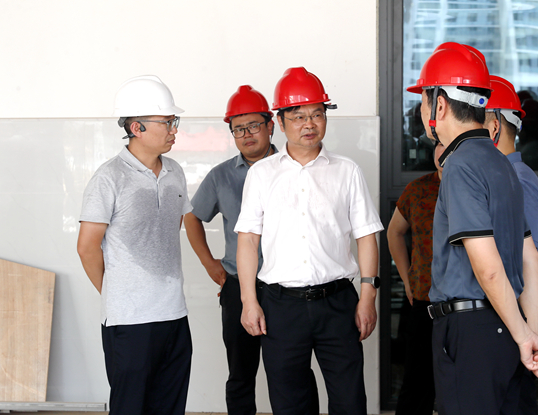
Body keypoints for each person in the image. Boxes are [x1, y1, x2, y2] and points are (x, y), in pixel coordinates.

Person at [407, 42, 538, 415]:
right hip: (507, 325)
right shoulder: (502, 163)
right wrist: (529, 332)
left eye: (424, 100)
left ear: (439, 105)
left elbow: (487, 267)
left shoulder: (460, 166)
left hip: (471, 333)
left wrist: (525, 337)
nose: (422, 110)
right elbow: (530, 256)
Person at [234, 67, 384, 415]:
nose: (309, 124)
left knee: (350, 400)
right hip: (280, 306)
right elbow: (248, 241)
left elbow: (366, 237)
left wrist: (367, 297)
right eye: (299, 116)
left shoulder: (347, 171)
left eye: (317, 114)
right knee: (290, 403)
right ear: (280, 121)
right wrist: (248, 301)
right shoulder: (262, 174)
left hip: (338, 303)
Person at [183, 85, 318, 415]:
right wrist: (209, 263)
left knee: (291, 371)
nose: (246, 134)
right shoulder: (220, 176)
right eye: (238, 129)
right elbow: (192, 216)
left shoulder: (296, 167)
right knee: (241, 372)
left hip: (286, 289)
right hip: (238, 287)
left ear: (271, 125)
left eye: (253, 125)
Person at [77, 75, 193, 415]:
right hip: (129, 322)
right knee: (131, 407)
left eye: (174, 121)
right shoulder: (109, 178)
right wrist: (115, 290)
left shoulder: (175, 172)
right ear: (137, 127)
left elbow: (177, 225)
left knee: (170, 406)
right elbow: (87, 247)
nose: (174, 129)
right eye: (167, 122)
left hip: (174, 314)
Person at [483, 75, 538, 415]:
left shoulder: (518, 181)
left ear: (493, 127)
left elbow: (526, 259)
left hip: (516, 316)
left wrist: (526, 329)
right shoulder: (505, 178)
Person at [388, 142, 444, 415]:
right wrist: (407, 278)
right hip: (424, 299)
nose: (443, 152)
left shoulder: (474, 185)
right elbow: (394, 232)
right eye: (439, 144)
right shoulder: (418, 189)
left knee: (460, 383)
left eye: (450, 143)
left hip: (467, 303)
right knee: (417, 381)